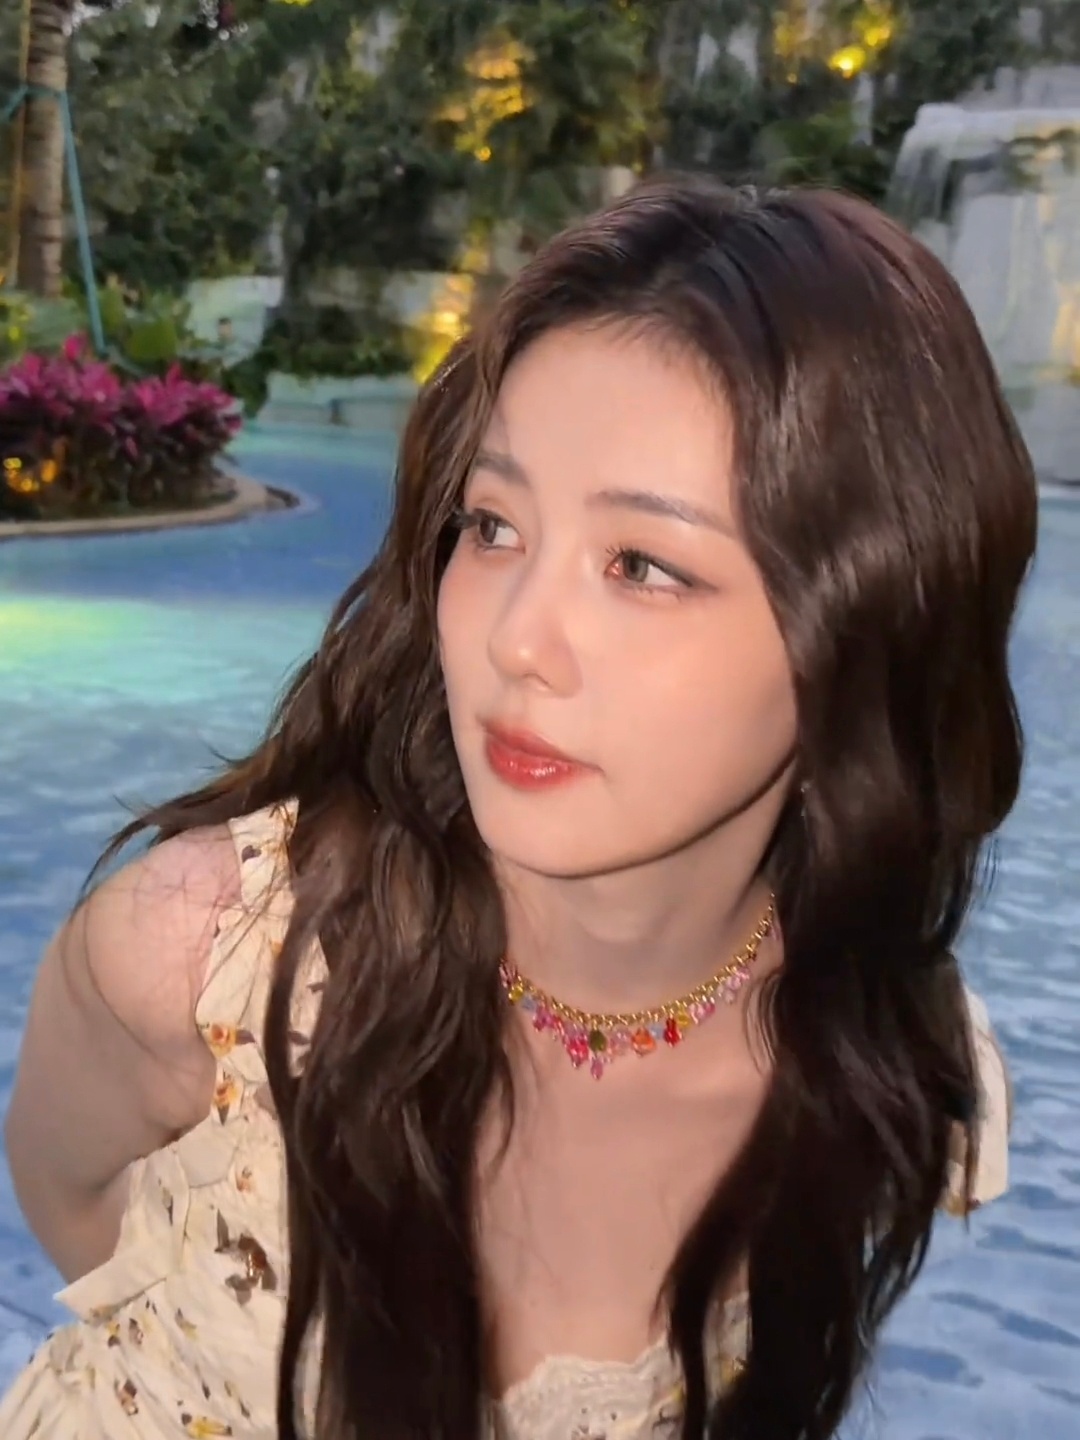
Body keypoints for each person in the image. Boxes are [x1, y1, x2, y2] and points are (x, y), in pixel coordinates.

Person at [0, 176, 1031, 1440]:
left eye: (641, 565)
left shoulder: (888, 1059)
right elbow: (68, 1203)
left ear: (870, 632)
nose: (516, 640)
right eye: (491, 526)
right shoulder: (205, 958)